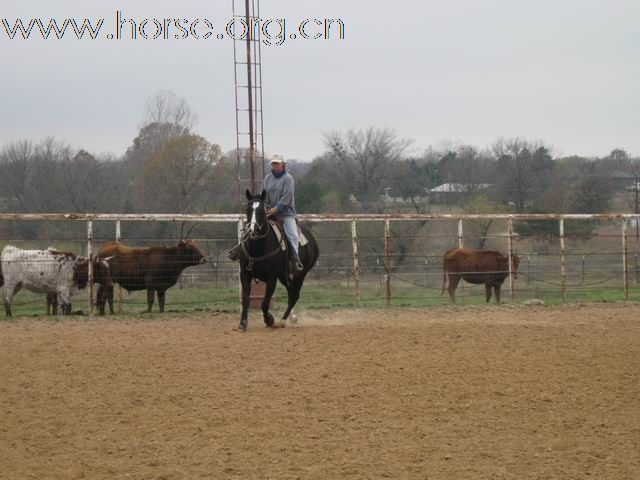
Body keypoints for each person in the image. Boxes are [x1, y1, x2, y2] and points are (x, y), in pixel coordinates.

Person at [263, 153, 304, 272]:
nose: (275, 165)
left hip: (286, 214)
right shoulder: (267, 178)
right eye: (273, 163)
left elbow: (287, 197)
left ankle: (296, 261)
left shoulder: (288, 178)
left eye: (277, 163)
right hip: (269, 212)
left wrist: (276, 209)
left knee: (292, 235)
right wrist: (266, 208)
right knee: (254, 228)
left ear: (282, 164)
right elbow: (263, 195)